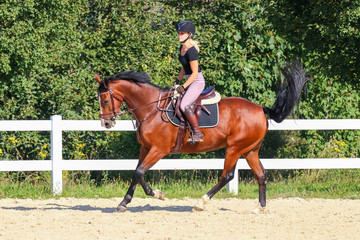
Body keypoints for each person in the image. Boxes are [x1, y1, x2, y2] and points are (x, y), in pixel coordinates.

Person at [174, 20, 205, 143]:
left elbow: (195, 73)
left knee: (183, 105)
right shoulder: (182, 47)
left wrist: (183, 86)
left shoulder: (192, 51)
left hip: (196, 81)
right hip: (189, 80)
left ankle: (197, 133)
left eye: (182, 33)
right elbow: (184, 66)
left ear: (190, 34)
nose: (179, 35)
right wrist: (177, 80)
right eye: (179, 33)